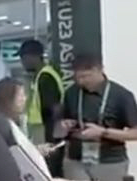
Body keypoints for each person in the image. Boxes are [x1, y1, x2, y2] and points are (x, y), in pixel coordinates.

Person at [59, 53, 137, 181]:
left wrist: (103, 132)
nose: (81, 81)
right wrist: (64, 126)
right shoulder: (71, 93)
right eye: (77, 77)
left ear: (99, 70)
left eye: (85, 76)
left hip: (110, 163)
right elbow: (60, 127)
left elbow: (135, 133)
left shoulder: (122, 96)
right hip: (76, 161)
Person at [20, 40, 65, 145]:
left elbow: (53, 109)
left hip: (44, 131)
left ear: (34, 56)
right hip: (42, 130)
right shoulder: (41, 75)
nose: (22, 62)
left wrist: (50, 138)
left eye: (23, 58)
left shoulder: (45, 77)